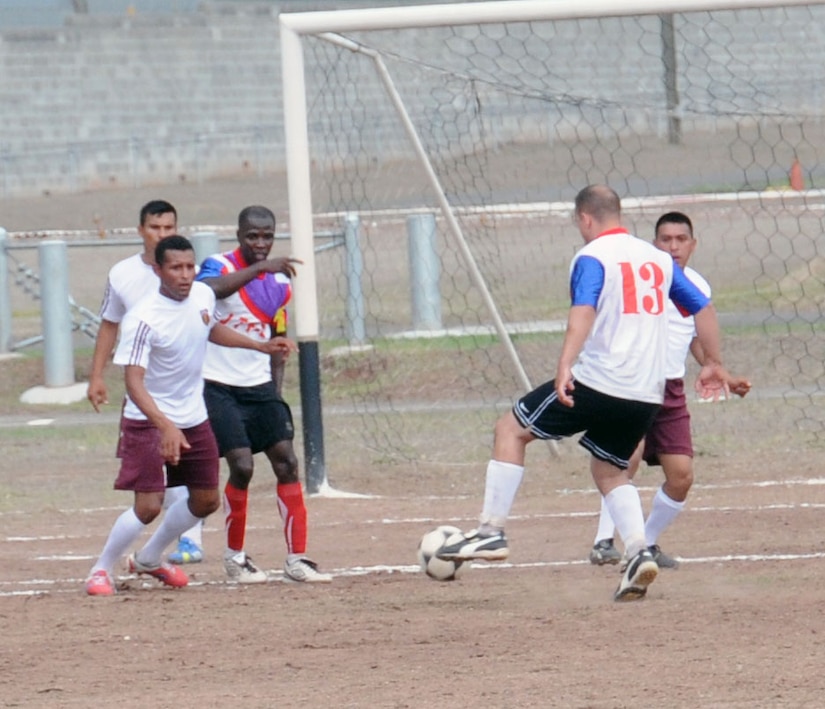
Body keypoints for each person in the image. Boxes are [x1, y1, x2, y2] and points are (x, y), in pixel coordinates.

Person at [437, 185, 731, 602]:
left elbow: (584, 309)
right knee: (610, 471)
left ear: (585, 219)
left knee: (510, 430)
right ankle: (637, 553)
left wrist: (564, 364)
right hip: (647, 393)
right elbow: (702, 306)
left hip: (599, 381)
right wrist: (714, 362)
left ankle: (490, 533)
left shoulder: (593, 256)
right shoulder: (659, 261)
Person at [84, 236, 296, 596]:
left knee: (206, 501)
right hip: (148, 420)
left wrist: (260, 345)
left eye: (189, 267)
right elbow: (133, 382)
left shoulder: (201, 296)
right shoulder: (142, 318)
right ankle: (100, 570)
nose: (185, 275)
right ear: (158, 271)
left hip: (193, 417)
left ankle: (150, 558)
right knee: (148, 506)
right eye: (176, 268)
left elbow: (210, 328)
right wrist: (164, 424)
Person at [588, 211, 752, 568]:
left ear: (693, 244)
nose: (674, 246)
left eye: (681, 239)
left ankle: (645, 544)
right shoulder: (644, 279)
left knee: (681, 476)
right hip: (632, 383)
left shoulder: (697, 287)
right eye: (666, 239)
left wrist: (719, 370)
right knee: (626, 457)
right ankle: (603, 541)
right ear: (654, 244)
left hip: (671, 390)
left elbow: (691, 338)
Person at [195, 205, 332, 584]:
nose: (260, 243)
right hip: (217, 385)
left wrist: (275, 389)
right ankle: (235, 558)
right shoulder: (218, 266)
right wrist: (259, 268)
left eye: (267, 236)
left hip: (259, 388)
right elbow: (205, 293)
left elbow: (276, 337)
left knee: (287, 462)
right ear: (239, 235)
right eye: (252, 236)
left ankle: (297, 560)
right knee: (242, 466)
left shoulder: (280, 286)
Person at [85, 200, 203, 564]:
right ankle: (119, 562)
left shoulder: (189, 277)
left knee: (195, 472)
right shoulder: (123, 274)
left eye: (169, 227)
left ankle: (185, 541)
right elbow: (109, 324)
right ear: (141, 230)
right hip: (144, 391)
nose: (162, 234)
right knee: (155, 481)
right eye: (155, 227)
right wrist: (97, 376)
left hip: (186, 390)